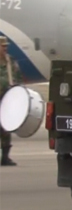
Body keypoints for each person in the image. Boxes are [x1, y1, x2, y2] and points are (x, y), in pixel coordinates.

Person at [0, 36, 23, 166]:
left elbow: (18, 78)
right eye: (3, 46)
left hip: (6, 99)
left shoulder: (11, 62)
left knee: (5, 129)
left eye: (6, 46)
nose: (5, 49)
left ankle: (5, 157)